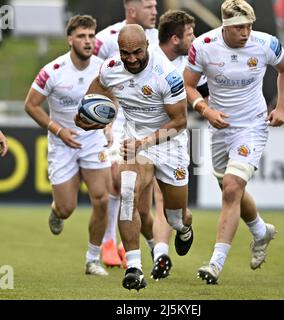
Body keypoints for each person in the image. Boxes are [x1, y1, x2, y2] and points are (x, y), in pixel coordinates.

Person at [75, 24, 194, 291]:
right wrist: (84, 115)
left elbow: (180, 122)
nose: (131, 58)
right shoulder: (111, 67)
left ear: (147, 47)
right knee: (127, 192)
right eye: (125, 53)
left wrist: (147, 141)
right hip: (134, 142)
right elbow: (95, 92)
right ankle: (134, 268)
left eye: (137, 52)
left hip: (169, 143)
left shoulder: (168, 76)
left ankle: (185, 227)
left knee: (175, 217)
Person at [184, 0, 284, 284]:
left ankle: (215, 264)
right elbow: (188, 84)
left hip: (253, 126)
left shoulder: (265, 43)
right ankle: (260, 231)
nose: (245, 32)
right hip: (219, 128)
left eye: (248, 26)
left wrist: (281, 107)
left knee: (231, 189)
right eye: (239, 28)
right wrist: (206, 110)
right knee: (229, 188)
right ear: (224, 25)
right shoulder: (204, 46)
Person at [24, 15, 112, 276]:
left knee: (102, 198)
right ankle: (56, 212)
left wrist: (107, 125)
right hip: (62, 143)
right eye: (82, 36)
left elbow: (112, 100)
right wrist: (59, 130)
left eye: (91, 36)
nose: (88, 41)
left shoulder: (103, 68)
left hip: (93, 140)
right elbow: (30, 105)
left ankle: (92, 259)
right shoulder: (53, 71)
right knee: (66, 208)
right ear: (70, 39)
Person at [94, 0, 159, 269]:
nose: (155, 11)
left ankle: (128, 243)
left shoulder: (159, 39)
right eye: (149, 6)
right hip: (116, 121)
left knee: (140, 186)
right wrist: (103, 119)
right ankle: (109, 241)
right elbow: (96, 80)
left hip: (148, 125)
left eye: (156, 6)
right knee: (116, 180)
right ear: (131, 10)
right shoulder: (106, 39)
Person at [150, 9, 209, 281]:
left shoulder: (192, 64)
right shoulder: (145, 57)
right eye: (189, 34)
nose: (194, 38)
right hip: (141, 138)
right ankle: (159, 255)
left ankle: (184, 227)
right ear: (175, 39)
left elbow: (204, 95)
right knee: (135, 193)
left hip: (173, 140)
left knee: (174, 210)